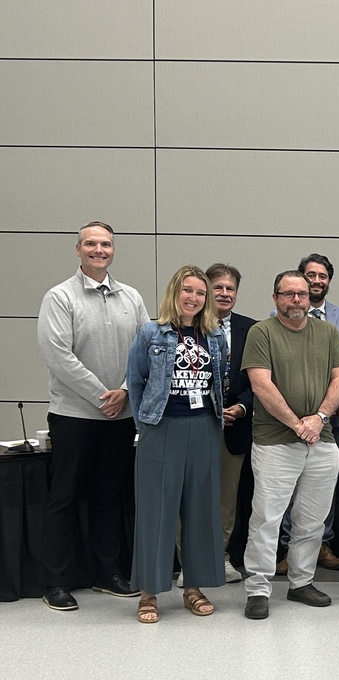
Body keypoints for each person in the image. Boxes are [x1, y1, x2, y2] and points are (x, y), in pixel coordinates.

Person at [36, 221, 149, 611]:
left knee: (109, 496)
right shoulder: (59, 297)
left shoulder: (131, 297)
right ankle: (56, 581)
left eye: (105, 244)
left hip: (120, 417)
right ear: (78, 249)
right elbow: (58, 355)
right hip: (74, 415)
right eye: (90, 244)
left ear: (113, 250)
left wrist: (124, 391)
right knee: (64, 497)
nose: (98, 249)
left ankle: (107, 573)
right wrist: (104, 396)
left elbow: (144, 349)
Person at [240, 271, 339, 620]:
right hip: (275, 442)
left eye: (301, 294)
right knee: (267, 518)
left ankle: (301, 582)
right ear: (275, 298)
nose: (297, 300)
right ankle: (258, 587)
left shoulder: (329, 332)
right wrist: (297, 424)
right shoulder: (261, 332)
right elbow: (261, 385)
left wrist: (318, 418)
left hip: (323, 439)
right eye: (288, 294)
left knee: (312, 519)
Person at [127, 266, 227, 623]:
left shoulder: (214, 338)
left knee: (201, 510)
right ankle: (148, 593)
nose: (194, 298)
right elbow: (135, 383)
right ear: (175, 293)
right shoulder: (150, 333)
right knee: (156, 511)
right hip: (161, 429)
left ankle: (194, 587)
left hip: (203, 428)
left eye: (201, 293)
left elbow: (220, 383)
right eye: (188, 290)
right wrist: (146, 425)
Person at [173, 263, 253, 587]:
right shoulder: (190, 328)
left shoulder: (253, 329)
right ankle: (188, 562)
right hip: (195, 422)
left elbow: (259, 377)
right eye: (217, 287)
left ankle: (220, 558)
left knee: (226, 499)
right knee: (189, 495)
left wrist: (242, 407)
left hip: (234, 427)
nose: (224, 293)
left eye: (230, 288)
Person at [275, 253, 339, 574]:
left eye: (323, 276)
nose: (317, 280)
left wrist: (323, 412)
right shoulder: (277, 314)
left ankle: (322, 543)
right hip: (290, 420)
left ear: (328, 282)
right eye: (311, 275)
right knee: (289, 486)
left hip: (329, 418)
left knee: (325, 486)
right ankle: (287, 548)